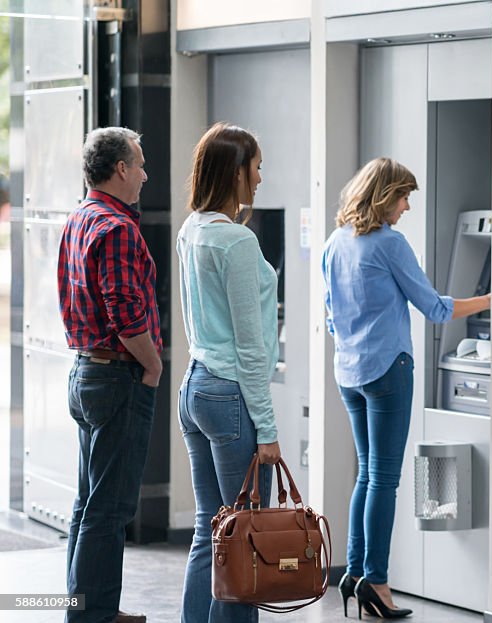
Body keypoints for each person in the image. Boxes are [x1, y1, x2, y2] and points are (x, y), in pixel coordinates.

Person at [321, 157, 491, 619]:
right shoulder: (389, 244)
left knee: (366, 475)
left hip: (350, 373)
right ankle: (377, 580)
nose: (407, 207)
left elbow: (331, 317)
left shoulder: (335, 243)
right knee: (385, 479)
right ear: (384, 196)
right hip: (388, 371)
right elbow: (435, 308)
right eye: (403, 197)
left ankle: (354, 574)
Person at [176, 122, 281, 623]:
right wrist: (269, 429)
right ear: (235, 172)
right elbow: (251, 347)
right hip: (229, 393)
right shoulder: (236, 242)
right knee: (242, 536)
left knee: (209, 528)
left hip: (195, 385)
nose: (260, 178)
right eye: (256, 167)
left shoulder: (190, 230)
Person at [59, 127, 160, 623]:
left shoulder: (80, 218)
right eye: (139, 164)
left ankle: (89, 606)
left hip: (85, 372)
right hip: (118, 376)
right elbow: (125, 312)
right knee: (110, 507)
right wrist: (154, 362)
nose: (144, 174)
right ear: (120, 168)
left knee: (89, 502)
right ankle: (92, 615)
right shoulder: (117, 228)